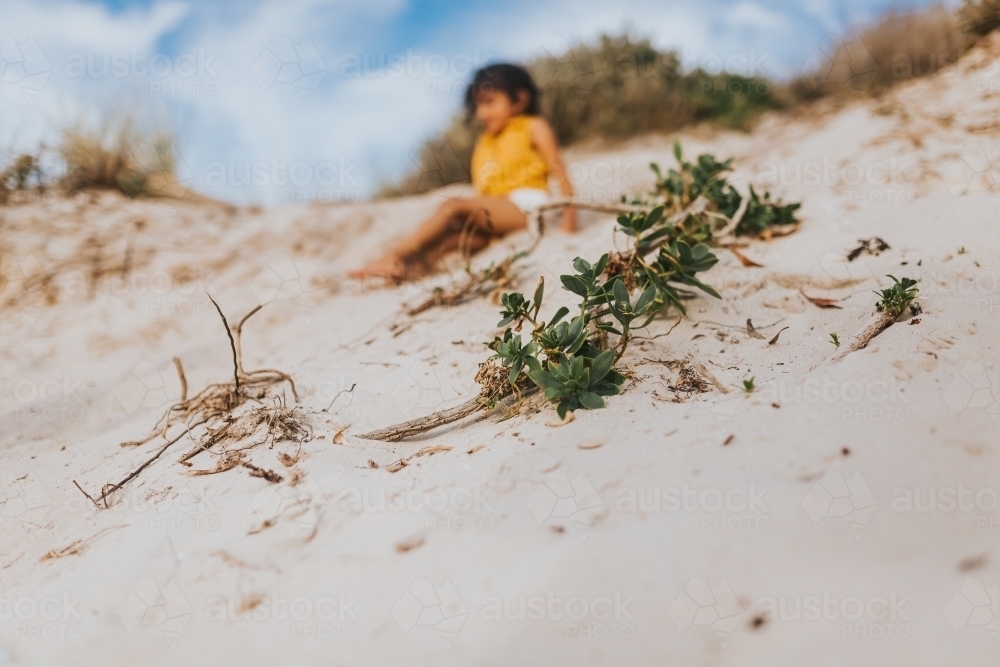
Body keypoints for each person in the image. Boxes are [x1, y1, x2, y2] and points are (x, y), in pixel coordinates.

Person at [350, 63, 575, 281]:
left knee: (453, 206)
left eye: (490, 102)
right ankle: (405, 271)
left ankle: (394, 255)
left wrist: (569, 224)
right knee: (454, 240)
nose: (482, 112)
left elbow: (560, 174)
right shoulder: (484, 142)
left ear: (520, 100)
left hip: (528, 205)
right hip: (497, 216)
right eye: (478, 105)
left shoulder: (533, 127)